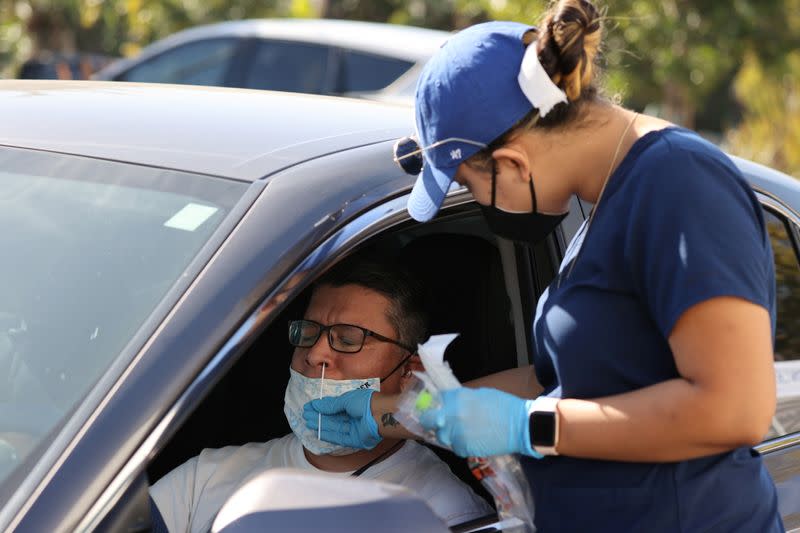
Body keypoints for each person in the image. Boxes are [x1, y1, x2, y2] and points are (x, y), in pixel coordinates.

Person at [304, 1, 784, 531]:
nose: (479, 202)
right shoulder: (609, 203)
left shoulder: (681, 184)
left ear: (513, 162)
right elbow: (564, 377)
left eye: (468, 185)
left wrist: (527, 427)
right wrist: (396, 412)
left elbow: (735, 408)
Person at [149, 257, 492, 532]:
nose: (316, 354)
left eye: (347, 339)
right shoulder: (206, 476)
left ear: (408, 372)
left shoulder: (443, 514)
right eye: (309, 333)